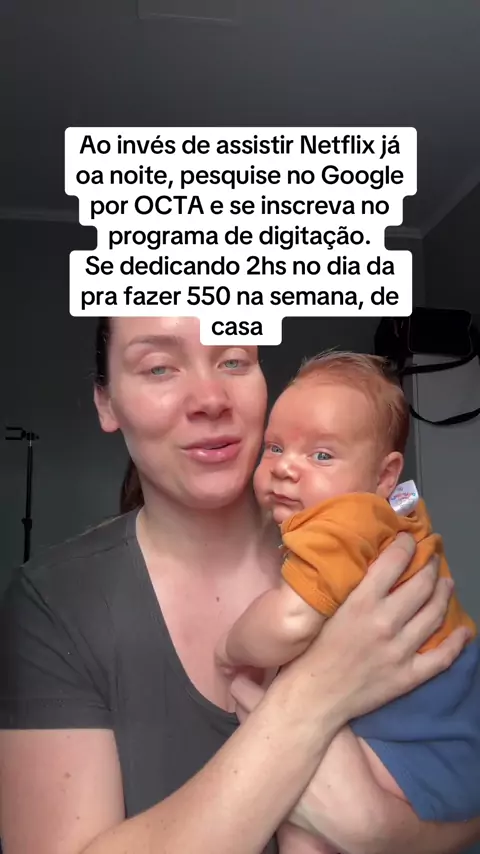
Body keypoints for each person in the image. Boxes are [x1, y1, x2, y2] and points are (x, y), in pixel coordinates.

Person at [0, 316, 478, 854]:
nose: (210, 398)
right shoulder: (52, 606)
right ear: (107, 402)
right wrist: (310, 699)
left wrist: (385, 831)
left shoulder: (371, 550)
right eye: (159, 367)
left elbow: (458, 744)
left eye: (233, 360)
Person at [215, 352, 480, 852]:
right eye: (275, 447)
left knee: (295, 795)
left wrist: (230, 648)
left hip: (417, 734)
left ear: (384, 476)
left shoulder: (344, 519)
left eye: (322, 456)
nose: (286, 468)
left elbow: (290, 621)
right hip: (455, 733)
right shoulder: (396, 515)